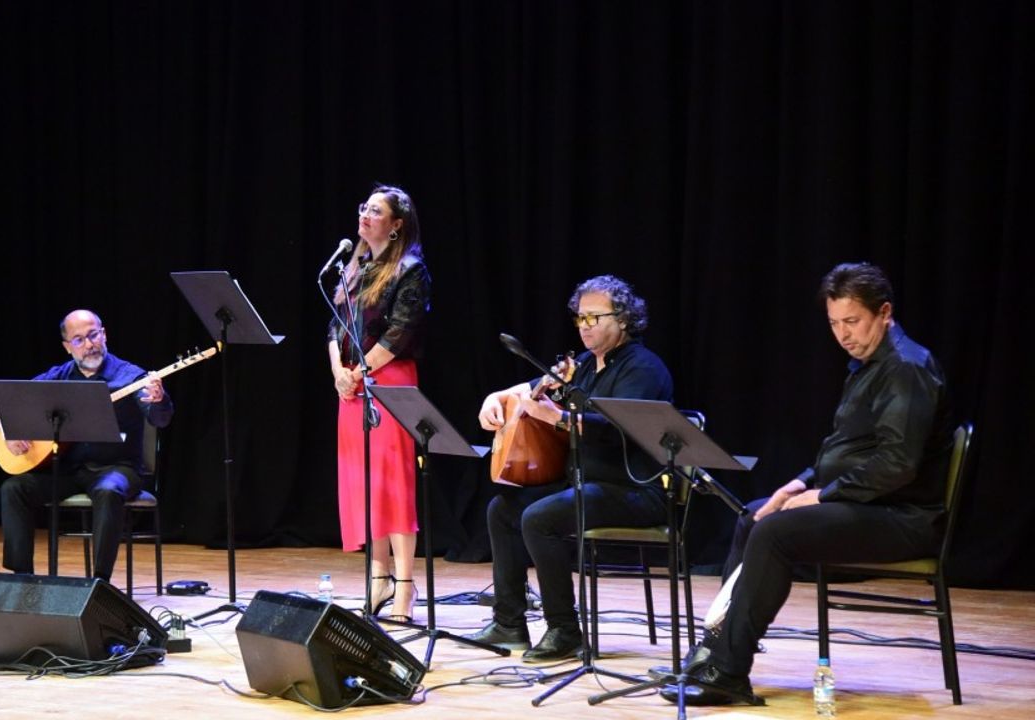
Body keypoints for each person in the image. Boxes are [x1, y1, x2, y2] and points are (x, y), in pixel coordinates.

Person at [664, 262, 954, 706]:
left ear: (885, 313)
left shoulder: (905, 368)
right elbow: (842, 448)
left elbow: (896, 464)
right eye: (834, 323)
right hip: (869, 504)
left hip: (904, 517)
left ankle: (729, 672)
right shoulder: (868, 364)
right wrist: (798, 485)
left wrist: (824, 495)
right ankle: (714, 650)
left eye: (852, 321)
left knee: (774, 533)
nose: (843, 334)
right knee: (753, 516)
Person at [465, 274, 674, 661]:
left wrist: (557, 417)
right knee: (503, 509)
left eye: (595, 317)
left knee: (539, 517)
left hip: (635, 490)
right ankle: (509, 623)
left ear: (623, 319)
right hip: (586, 485)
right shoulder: (584, 365)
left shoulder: (642, 368)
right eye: (580, 318)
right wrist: (495, 397)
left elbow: (617, 430)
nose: (584, 326)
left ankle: (564, 629)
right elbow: (531, 388)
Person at [0, 309, 173, 583]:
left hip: (117, 468)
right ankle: (22, 579)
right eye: (79, 340)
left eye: (93, 335)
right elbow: (0, 405)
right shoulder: (59, 377)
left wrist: (159, 400)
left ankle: (99, 582)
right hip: (67, 470)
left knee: (108, 490)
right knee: (14, 488)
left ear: (104, 334)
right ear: (68, 347)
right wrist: (8, 429)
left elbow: (160, 419)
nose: (89, 344)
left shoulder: (131, 376)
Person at [327, 185, 430, 623]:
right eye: (363, 208)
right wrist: (339, 371)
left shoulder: (411, 270)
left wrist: (358, 373)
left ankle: (405, 586)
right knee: (365, 484)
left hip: (389, 382)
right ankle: (378, 578)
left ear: (396, 225)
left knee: (393, 485)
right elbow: (334, 326)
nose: (365, 216)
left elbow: (399, 333)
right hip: (351, 385)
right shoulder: (356, 267)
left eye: (375, 211)